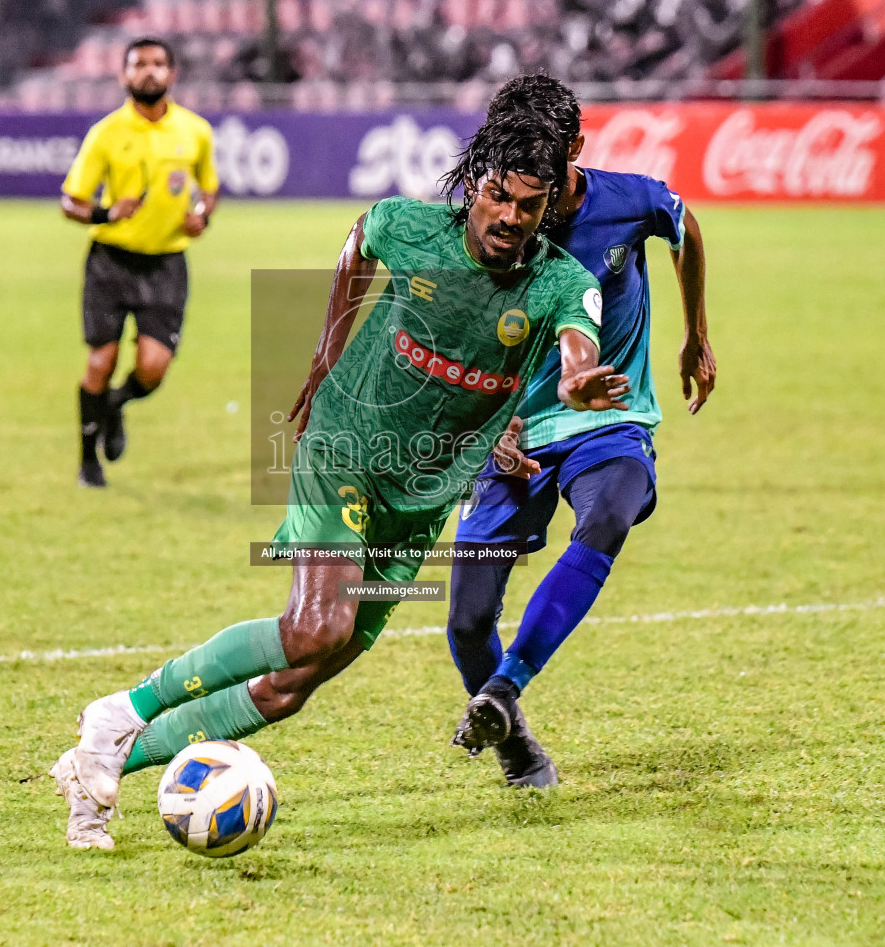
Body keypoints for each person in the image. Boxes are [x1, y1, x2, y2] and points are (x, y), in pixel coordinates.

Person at [51, 111, 628, 849]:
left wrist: (578, 384)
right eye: (497, 196)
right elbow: (360, 237)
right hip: (345, 448)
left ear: (551, 205)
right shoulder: (409, 226)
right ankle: (120, 711)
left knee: (299, 680)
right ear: (474, 181)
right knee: (315, 626)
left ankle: (98, 766)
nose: (509, 218)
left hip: (420, 498)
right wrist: (326, 354)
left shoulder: (559, 283)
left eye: (529, 205)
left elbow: (579, 350)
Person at [446, 74, 716, 787]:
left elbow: (684, 226)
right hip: (517, 434)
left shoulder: (630, 203)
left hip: (609, 418)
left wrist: (696, 334)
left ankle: (504, 691)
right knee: (468, 623)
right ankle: (516, 748)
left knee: (609, 514)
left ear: (573, 149)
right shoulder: (485, 222)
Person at [60, 37, 219, 487]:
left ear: (173, 73)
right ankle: (87, 460)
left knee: (153, 368)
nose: (148, 71)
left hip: (167, 262)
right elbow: (70, 201)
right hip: (110, 261)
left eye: (157, 63)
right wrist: (107, 213)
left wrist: (202, 216)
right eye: (138, 64)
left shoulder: (195, 131)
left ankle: (115, 404)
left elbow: (209, 189)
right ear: (124, 75)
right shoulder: (107, 133)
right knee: (99, 362)